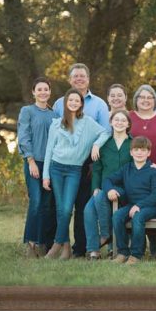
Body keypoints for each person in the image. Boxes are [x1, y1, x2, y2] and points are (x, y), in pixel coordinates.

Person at [51, 63, 111, 257]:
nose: (79, 79)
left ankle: (80, 248)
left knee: (82, 205)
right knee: (63, 206)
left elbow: (106, 133)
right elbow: (54, 131)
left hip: (89, 161)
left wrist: (96, 155)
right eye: (75, 76)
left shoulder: (100, 104)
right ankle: (62, 244)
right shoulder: (59, 103)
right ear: (70, 80)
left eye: (82, 76)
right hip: (61, 161)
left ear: (88, 79)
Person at [17, 77, 60, 257]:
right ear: (33, 92)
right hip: (34, 162)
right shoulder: (27, 111)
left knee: (47, 205)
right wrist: (31, 161)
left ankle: (44, 243)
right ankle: (31, 243)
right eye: (39, 89)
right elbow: (24, 136)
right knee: (35, 202)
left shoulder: (55, 115)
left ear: (50, 92)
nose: (43, 92)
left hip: (51, 164)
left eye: (46, 89)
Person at [104, 136, 156, 265]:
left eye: (143, 150)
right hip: (132, 204)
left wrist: (139, 205)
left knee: (138, 217)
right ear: (131, 152)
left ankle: (136, 254)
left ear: (149, 153)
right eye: (136, 150)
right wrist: (110, 190)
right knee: (117, 216)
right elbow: (108, 179)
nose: (139, 153)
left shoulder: (153, 171)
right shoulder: (127, 168)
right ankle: (123, 252)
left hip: (150, 206)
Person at [83, 109, 132, 260]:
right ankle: (94, 250)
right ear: (111, 122)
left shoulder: (133, 143)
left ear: (128, 124)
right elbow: (97, 169)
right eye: (116, 120)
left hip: (125, 188)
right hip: (104, 186)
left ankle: (106, 237)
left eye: (123, 120)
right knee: (88, 210)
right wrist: (95, 188)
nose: (119, 123)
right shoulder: (103, 144)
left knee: (99, 199)